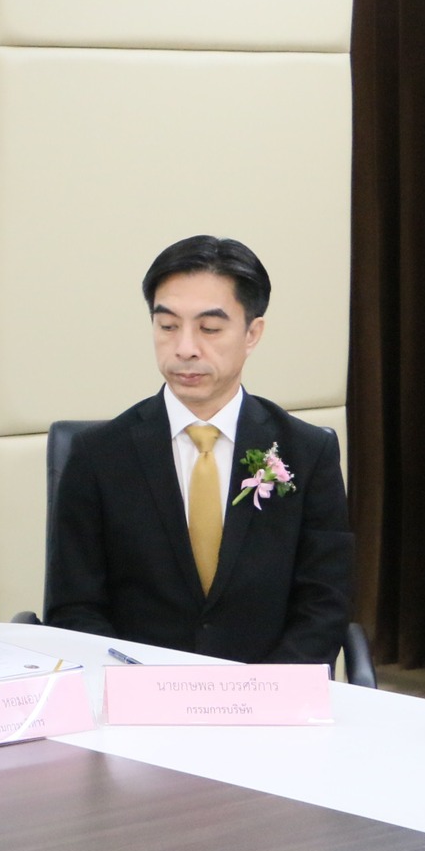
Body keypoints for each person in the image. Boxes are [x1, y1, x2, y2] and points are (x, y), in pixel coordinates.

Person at [46, 236, 353, 663]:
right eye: (167, 326)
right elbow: (74, 608)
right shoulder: (97, 456)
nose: (185, 348)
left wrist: (265, 689)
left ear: (252, 334)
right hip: (137, 691)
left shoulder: (306, 453)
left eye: (209, 329)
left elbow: (324, 604)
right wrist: (135, 683)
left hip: (268, 692)